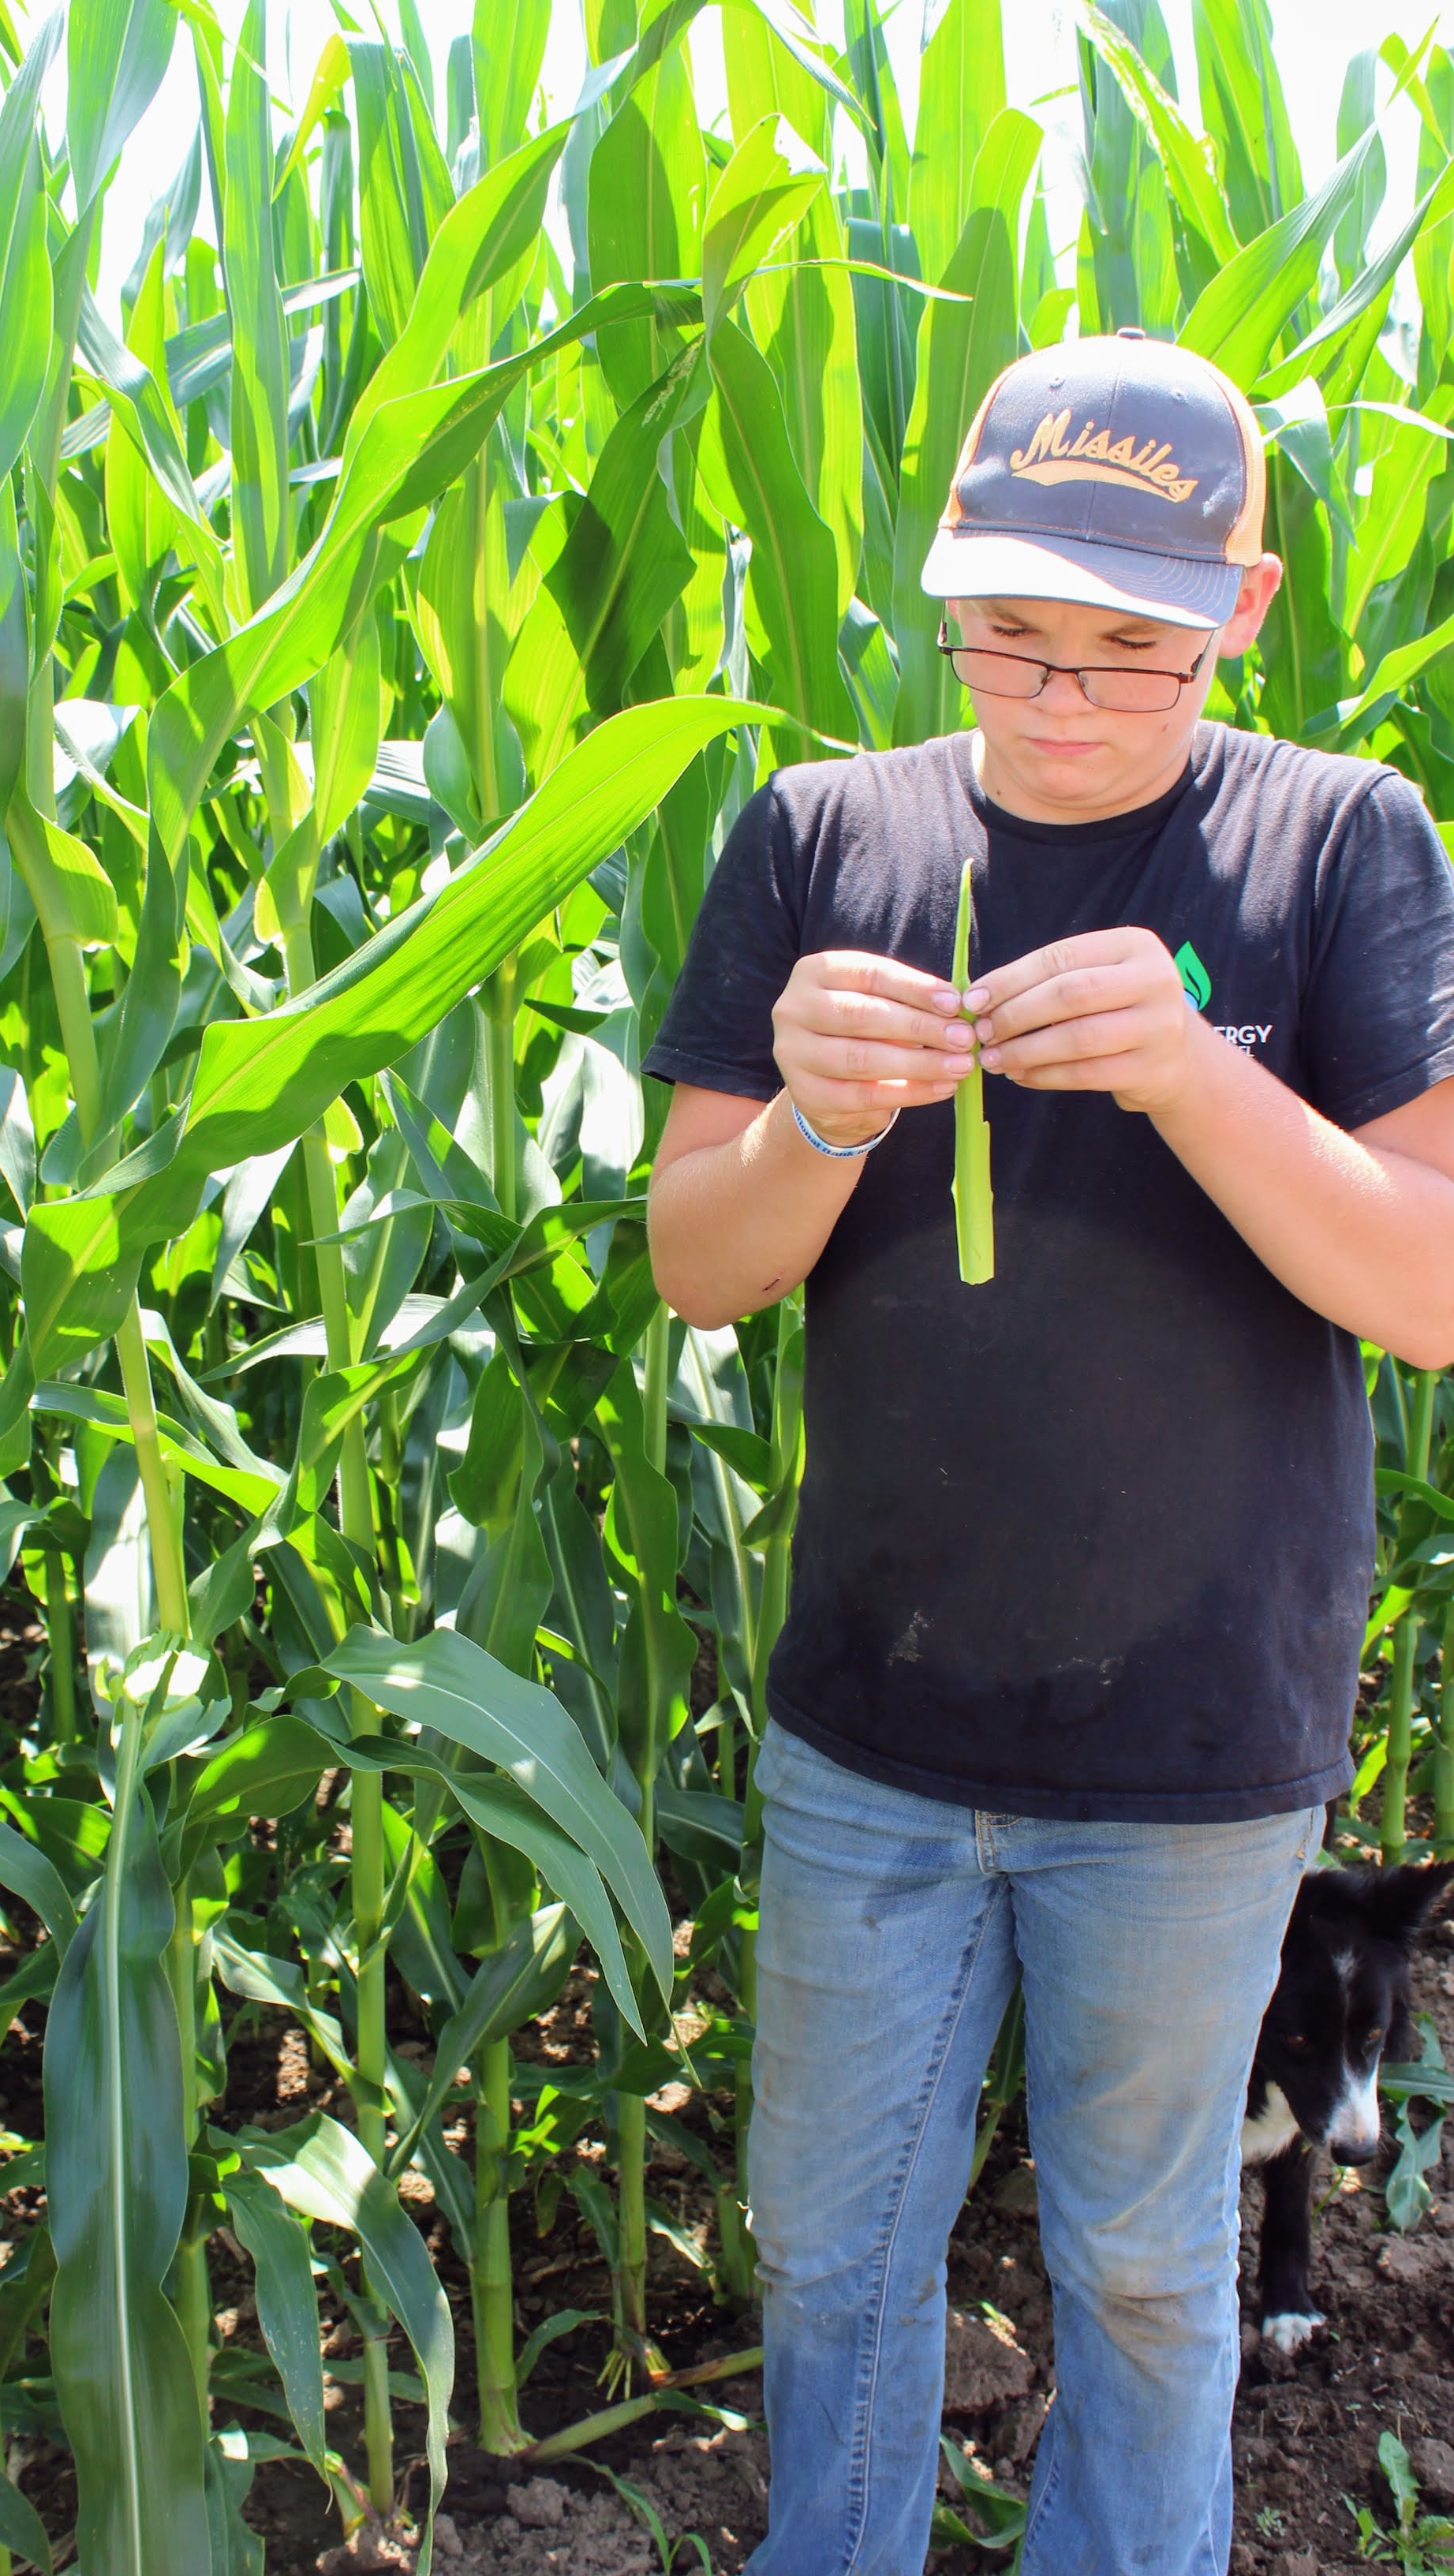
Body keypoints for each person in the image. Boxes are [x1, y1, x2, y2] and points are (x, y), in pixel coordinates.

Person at [641, 331, 1454, 2576]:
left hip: (1200, 1744)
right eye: (1008, 635)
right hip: (874, 1727)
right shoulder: (827, 837)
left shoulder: (1333, 844)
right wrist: (812, 1108)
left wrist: (1197, 1077)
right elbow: (698, 1265)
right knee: (827, 2257)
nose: (1062, 699)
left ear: (1245, 613)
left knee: (1138, 2257)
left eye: (1131, 650)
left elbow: (1434, 1284)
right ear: (942, 590)